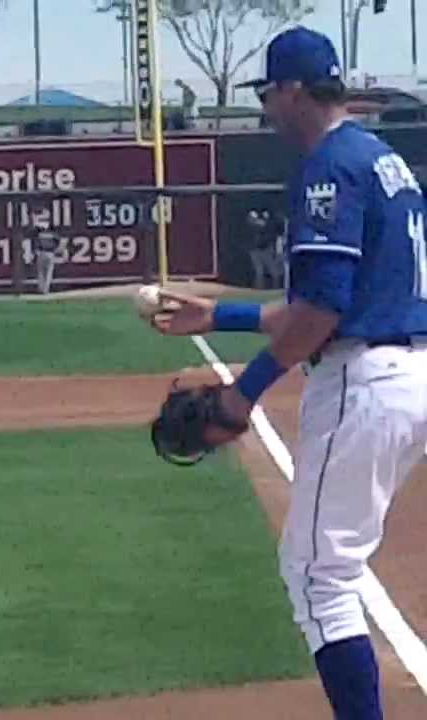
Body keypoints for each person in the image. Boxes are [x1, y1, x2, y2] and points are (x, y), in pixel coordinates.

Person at [150, 26, 427, 720]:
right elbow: (329, 301)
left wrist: (242, 396)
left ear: (295, 89)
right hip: (409, 367)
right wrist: (219, 319)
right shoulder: (382, 158)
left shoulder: (329, 166)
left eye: (269, 92)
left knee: (317, 579)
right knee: (327, 571)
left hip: (365, 384)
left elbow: (324, 311)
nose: (267, 108)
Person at [32, 217, 59, 294]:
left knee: (41, 272)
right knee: (48, 273)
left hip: (41, 253)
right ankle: (45, 290)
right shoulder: (53, 234)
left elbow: (36, 244)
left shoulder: (40, 234)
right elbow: (58, 242)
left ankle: (41, 288)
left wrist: (35, 253)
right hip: (50, 253)